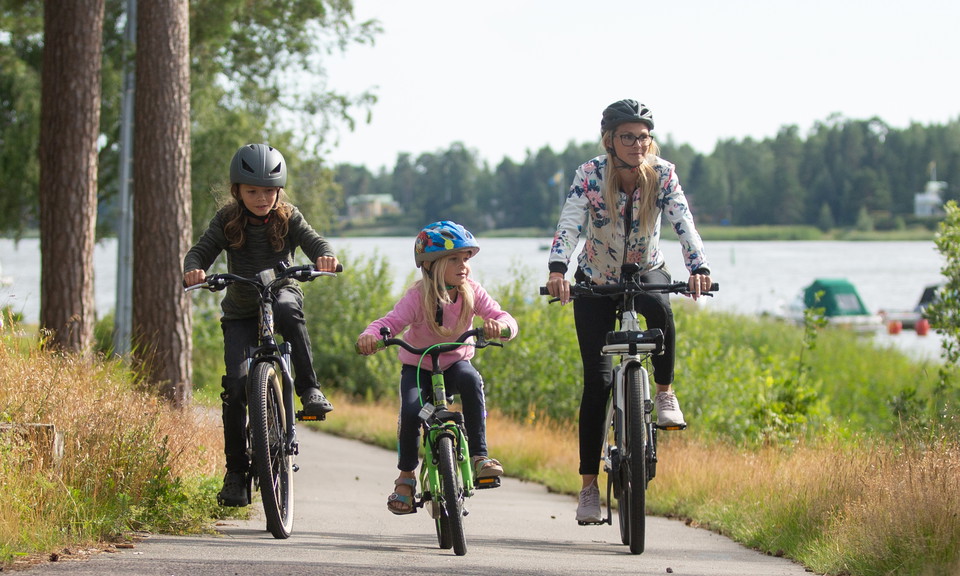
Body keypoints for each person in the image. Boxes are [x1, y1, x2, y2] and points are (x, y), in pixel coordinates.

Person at [544, 99, 713, 524]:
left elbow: (683, 222)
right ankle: (587, 489)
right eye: (627, 137)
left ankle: (664, 392)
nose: (637, 144)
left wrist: (699, 268)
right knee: (597, 383)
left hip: (647, 268)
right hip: (596, 279)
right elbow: (570, 221)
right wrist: (557, 270)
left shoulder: (664, 173)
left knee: (662, 310)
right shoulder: (590, 174)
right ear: (610, 140)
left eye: (643, 137)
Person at [183, 143, 339, 507]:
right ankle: (236, 473)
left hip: (281, 292)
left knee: (288, 309)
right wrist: (195, 268)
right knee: (236, 387)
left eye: (269, 190)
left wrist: (324, 256)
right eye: (252, 190)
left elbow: (315, 241)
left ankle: (310, 390)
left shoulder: (288, 216)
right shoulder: (226, 219)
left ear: (279, 190)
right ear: (237, 190)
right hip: (240, 311)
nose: (262, 197)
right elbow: (200, 251)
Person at [356, 221, 518, 515]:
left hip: (455, 364)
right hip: (418, 367)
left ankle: (480, 457)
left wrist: (501, 326)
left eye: (466, 258)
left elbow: (504, 316)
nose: (463, 266)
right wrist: (372, 337)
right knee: (411, 409)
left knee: (471, 381)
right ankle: (406, 478)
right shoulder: (417, 297)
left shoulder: (472, 292)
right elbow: (389, 323)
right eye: (454, 259)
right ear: (430, 265)